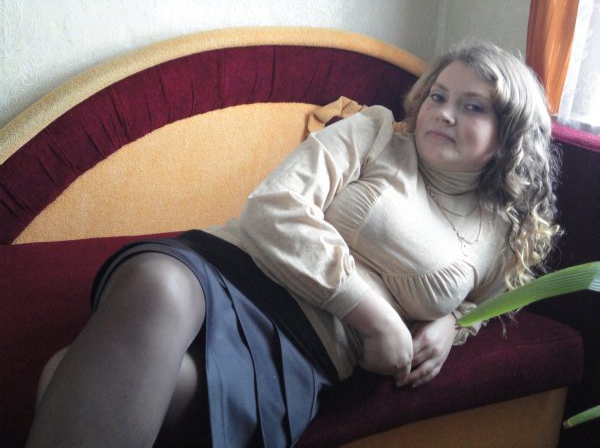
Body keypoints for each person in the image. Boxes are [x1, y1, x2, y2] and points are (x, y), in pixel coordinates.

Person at [26, 40, 561, 447]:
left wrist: (448, 326)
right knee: (158, 284)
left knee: (77, 378)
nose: (444, 112)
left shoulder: (498, 233)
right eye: (438, 96)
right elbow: (274, 208)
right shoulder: (374, 132)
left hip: (303, 346)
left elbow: (482, 305)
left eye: (473, 107)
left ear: (508, 136)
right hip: (231, 268)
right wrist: (376, 316)